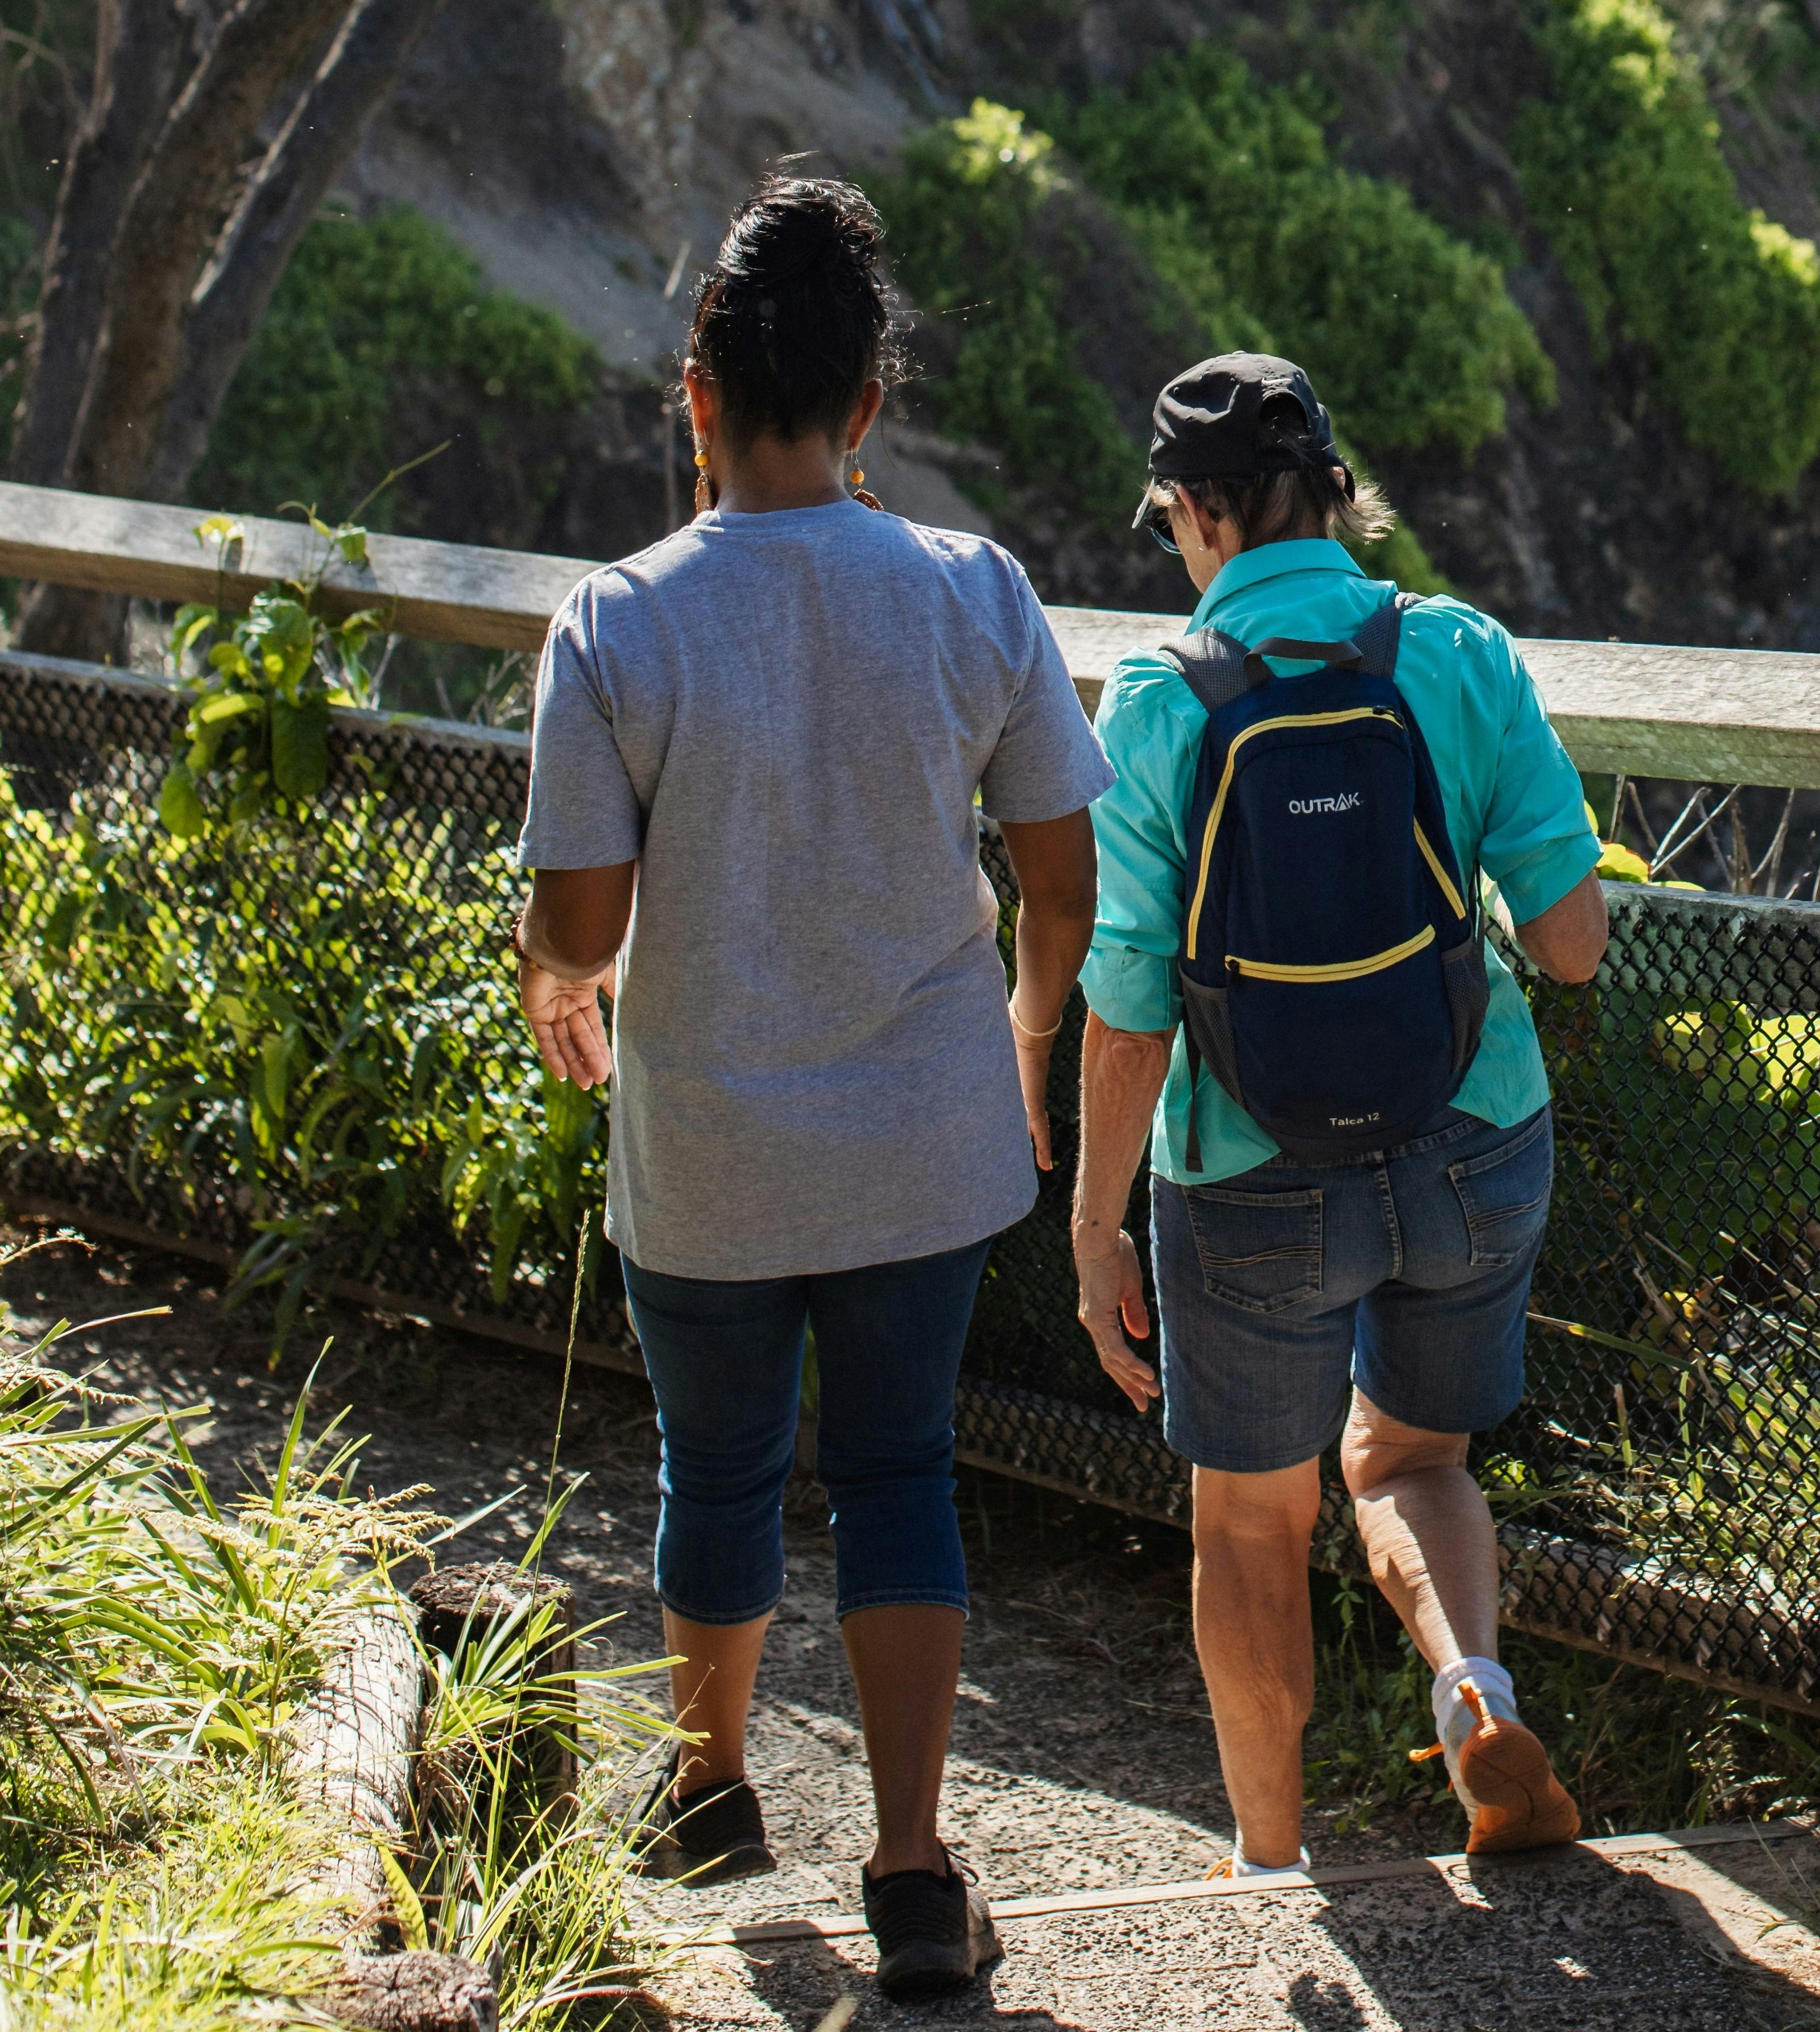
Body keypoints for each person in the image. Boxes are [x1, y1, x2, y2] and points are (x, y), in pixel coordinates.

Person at [511, 176, 1109, 1997]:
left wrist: (557, 977)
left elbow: (584, 916)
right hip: (925, 1137)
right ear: (870, 408)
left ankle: (708, 1787)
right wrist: (1019, 1041)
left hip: (706, 1139)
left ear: (695, 398)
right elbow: (1063, 882)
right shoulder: (970, 591)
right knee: (900, 1473)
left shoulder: (617, 623)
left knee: (717, 1459)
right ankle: (916, 1873)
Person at [1070, 353, 1610, 1877]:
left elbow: (1130, 1007)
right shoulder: (1452, 651)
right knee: (1414, 1460)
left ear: (1188, 514)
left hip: (1246, 1170)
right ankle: (1471, 1689)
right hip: (1471, 1133)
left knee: (1250, 1522)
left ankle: (1267, 1868)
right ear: (1335, 492)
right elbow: (1572, 945)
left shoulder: (1163, 701)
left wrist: (1094, 1218)